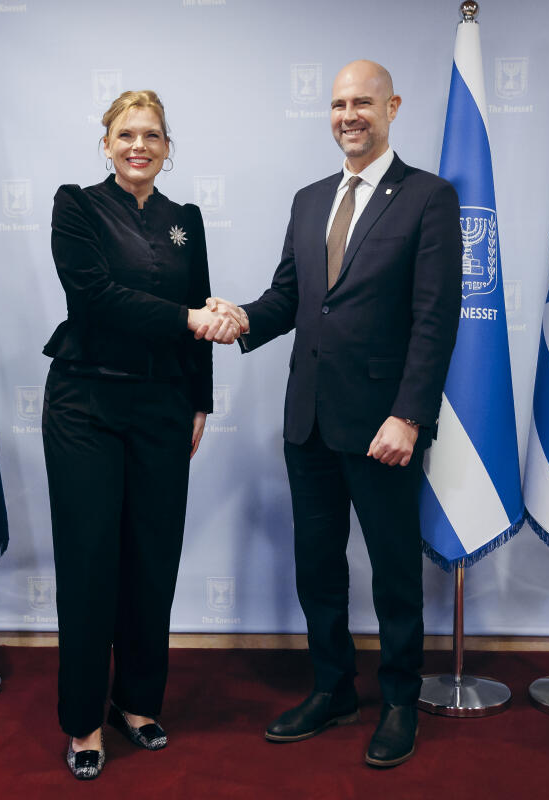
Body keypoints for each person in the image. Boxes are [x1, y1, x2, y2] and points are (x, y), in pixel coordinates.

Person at [208, 60, 462, 768]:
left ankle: (401, 701)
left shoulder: (429, 198)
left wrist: (409, 415)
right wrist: (240, 319)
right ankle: (333, 689)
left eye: (362, 103)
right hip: (309, 422)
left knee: (391, 573)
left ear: (392, 108)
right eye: (338, 104)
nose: (348, 115)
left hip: (384, 426)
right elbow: (289, 298)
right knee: (318, 567)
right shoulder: (310, 197)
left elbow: (434, 319)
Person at [43, 89, 243, 780]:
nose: (139, 145)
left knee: (152, 558)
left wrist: (200, 400)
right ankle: (82, 721)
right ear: (106, 144)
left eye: (152, 135)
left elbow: (205, 299)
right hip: (86, 404)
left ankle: (137, 703)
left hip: (163, 407)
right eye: (127, 133)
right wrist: (189, 320)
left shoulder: (185, 219)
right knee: (91, 561)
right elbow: (94, 296)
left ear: (167, 148)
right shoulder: (76, 205)